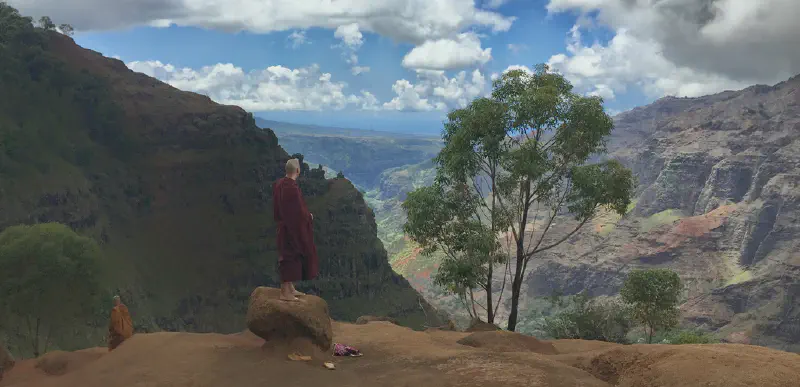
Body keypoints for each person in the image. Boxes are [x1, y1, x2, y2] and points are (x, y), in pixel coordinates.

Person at [273, 158, 319, 301]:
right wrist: (308, 217)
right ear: (298, 171)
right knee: (289, 258)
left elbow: (279, 208)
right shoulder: (291, 188)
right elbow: (297, 211)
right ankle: (285, 293)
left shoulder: (279, 184)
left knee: (290, 258)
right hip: (291, 229)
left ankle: (290, 288)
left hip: (284, 226)